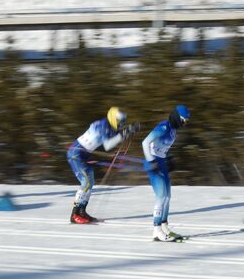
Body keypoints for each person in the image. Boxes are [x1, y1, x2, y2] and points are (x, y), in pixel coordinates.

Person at [67, 106, 137, 224]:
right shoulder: (102, 126)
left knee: (90, 182)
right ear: (113, 118)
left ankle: (82, 212)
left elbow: (115, 137)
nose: (121, 124)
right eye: (120, 121)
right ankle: (74, 214)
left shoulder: (110, 125)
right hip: (76, 154)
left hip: (84, 154)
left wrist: (128, 130)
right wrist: (125, 132)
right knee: (86, 183)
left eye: (123, 122)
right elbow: (108, 145)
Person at [142, 104, 190, 242]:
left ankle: (164, 227)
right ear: (176, 117)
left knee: (168, 196)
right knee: (161, 196)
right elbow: (145, 143)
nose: (184, 124)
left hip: (161, 162)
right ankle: (156, 230)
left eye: (186, 122)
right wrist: (151, 161)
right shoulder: (163, 127)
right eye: (183, 120)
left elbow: (162, 146)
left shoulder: (174, 130)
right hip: (153, 162)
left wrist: (168, 158)